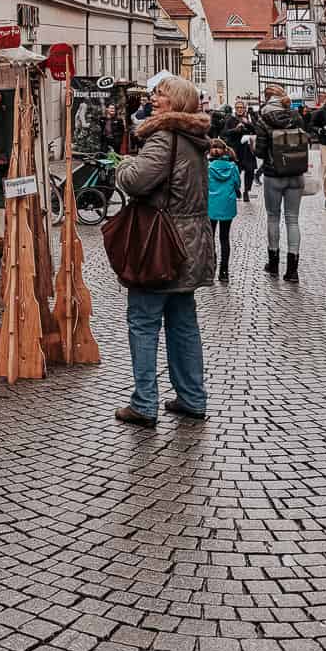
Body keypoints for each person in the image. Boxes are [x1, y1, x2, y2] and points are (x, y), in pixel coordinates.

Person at [113, 73, 215, 428]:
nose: (154, 98)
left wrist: (123, 165)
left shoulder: (164, 139)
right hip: (191, 242)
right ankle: (192, 397)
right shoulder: (195, 138)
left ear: (178, 103)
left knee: (143, 321)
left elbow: (136, 180)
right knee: (183, 322)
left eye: (161, 95)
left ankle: (144, 402)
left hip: (162, 244)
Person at [254, 92, 308, 281]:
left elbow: (260, 152)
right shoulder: (296, 117)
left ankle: (274, 263)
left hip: (273, 174)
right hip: (296, 174)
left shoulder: (263, 120)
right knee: (293, 220)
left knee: (273, 217)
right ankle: (292, 270)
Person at [205, 137, 239, 281]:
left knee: (210, 237)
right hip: (227, 205)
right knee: (224, 238)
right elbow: (237, 185)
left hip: (211, 206)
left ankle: (211, 267)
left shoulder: (207, 167)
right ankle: (224, 271)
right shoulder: (233, 167)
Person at [222, 99, 257, 201]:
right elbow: (224, 133)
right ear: (235, 109)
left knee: (250, 171)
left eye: (241, 107)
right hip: (235, 150)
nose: (240, 109)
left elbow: (256, 130)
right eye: (238, 108)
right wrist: (235, 130)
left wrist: (248, 124)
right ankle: (236, 188)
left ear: (245, 109)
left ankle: (247, 191)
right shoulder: (230, 119)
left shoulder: (249, 118)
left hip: (248, 150)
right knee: (236, 171)